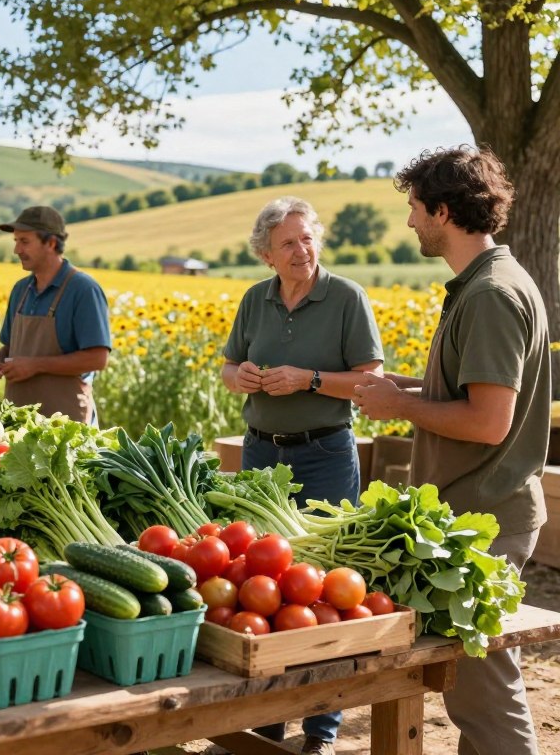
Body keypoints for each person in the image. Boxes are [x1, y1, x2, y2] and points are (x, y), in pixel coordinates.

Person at [353, 147, 548, 755]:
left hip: (486, 519)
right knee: (471, 686)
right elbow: (466, 391)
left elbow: (489, 422)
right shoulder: (483, 284)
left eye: (415, 208)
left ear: (443, 210)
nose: (409, 221)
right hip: (474, 513)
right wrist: (401, 389)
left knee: (485, 694)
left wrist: (400, 406)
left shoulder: (490, 295)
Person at [221, 196, 384, 755]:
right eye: (288, 242)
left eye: (308, 238)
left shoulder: (346, 298)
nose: (301, 250)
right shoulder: (255, 300)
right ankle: (266, 721)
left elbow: (370, 381)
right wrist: (238, 375)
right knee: (261, 590)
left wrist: (307, 379)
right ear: (266, 253)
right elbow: (226, 365)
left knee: (323, 591)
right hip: (262, 457)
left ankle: (321, 731)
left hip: (325, 456)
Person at [0, 206, 111, 423]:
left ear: (51, 243)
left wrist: (35, 365)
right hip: (17, 422)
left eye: (24, 241)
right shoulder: (20, 290)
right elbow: (11, 347)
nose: (17, 250)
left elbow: (98, 358)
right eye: (16, 241)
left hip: (67, 427)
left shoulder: (83, 290)